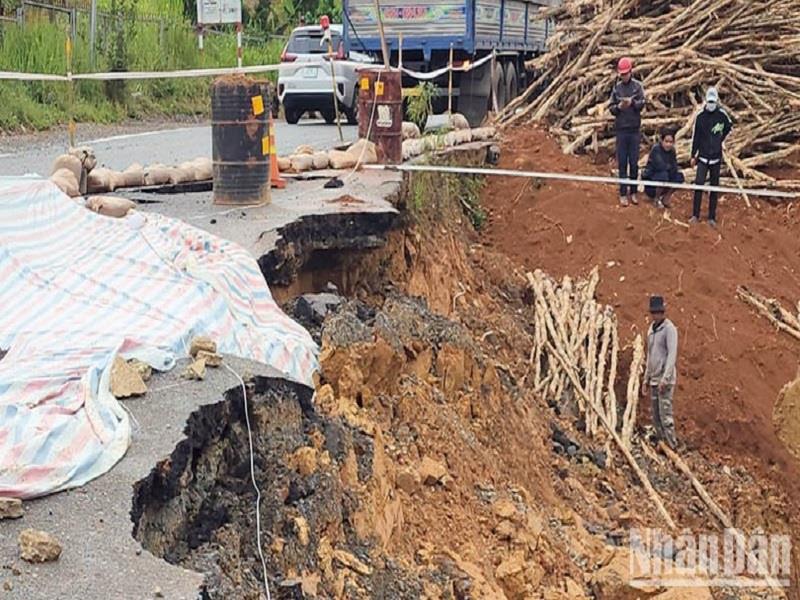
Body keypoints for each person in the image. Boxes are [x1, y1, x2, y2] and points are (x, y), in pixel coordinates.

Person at [690, 87, 733, 227]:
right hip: (702, 157)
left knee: (714, 188)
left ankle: (711, 217)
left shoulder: (722, 116)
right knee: (699, 184)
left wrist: (720, 139)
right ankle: (695, 214)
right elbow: (696, 137)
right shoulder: (700, 118)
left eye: (713, 102)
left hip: (716, 157)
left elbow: (729, 126)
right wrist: (693, 155)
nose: (711, 104)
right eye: (709, 101)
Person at [609, 57, 646, 207]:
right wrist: (619, 107)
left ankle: (634, 192)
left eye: (626, 73)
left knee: (634, 163)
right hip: (621, 131)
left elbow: (642, 103)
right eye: (622, 74)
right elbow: (611, 107)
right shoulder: (617, 89)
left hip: (634, 130)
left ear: (630, 72)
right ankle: (623, 193)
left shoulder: (637, 87)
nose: (624, 76)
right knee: (622, 163)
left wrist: (633, 104)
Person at [643, 295, 678, 449]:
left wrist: (666, 378)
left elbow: (672, 354)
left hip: (665, 380)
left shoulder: (669, 329)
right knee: (656, 415)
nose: (657, 315)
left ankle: (672, 445)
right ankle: (661, 443)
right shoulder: (651, 331)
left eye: (659, 312)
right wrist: (646, 378)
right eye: (654, 313)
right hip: (654, 379)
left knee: (666, 415)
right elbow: (650, 355)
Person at [642, 127, 685, 209]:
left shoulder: (672, 151)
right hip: (651, 181)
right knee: (663, 175)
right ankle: (656, 199)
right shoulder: (656, 149)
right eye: (666, 141)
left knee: (679, 176)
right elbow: (660, 166)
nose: (668, 144)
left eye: (671, 142)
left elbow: (674, 166)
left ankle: (666, 198)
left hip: (666, 177)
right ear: (662, 141)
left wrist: (672, 169)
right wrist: (670, 167)